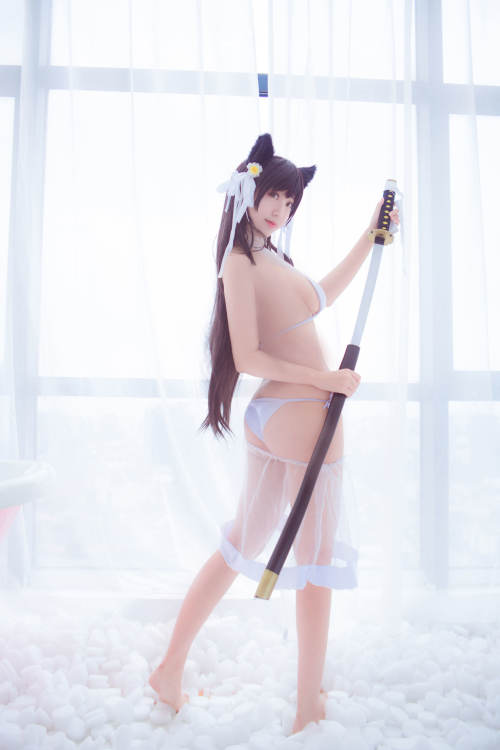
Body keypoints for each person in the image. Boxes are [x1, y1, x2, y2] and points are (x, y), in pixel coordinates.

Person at [148, 133, 400, 735]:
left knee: (246, 540)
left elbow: (323, 295)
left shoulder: (273, 259)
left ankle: (169, 669)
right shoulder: (239, 262)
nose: (280, 209)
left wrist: (370, 234)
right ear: (249, 189)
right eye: (274, 197)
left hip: (278, 417)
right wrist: (325, 378)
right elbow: (248, 357)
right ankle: (308, 704)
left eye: (290, 203)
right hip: (299, 411)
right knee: (314, 562)